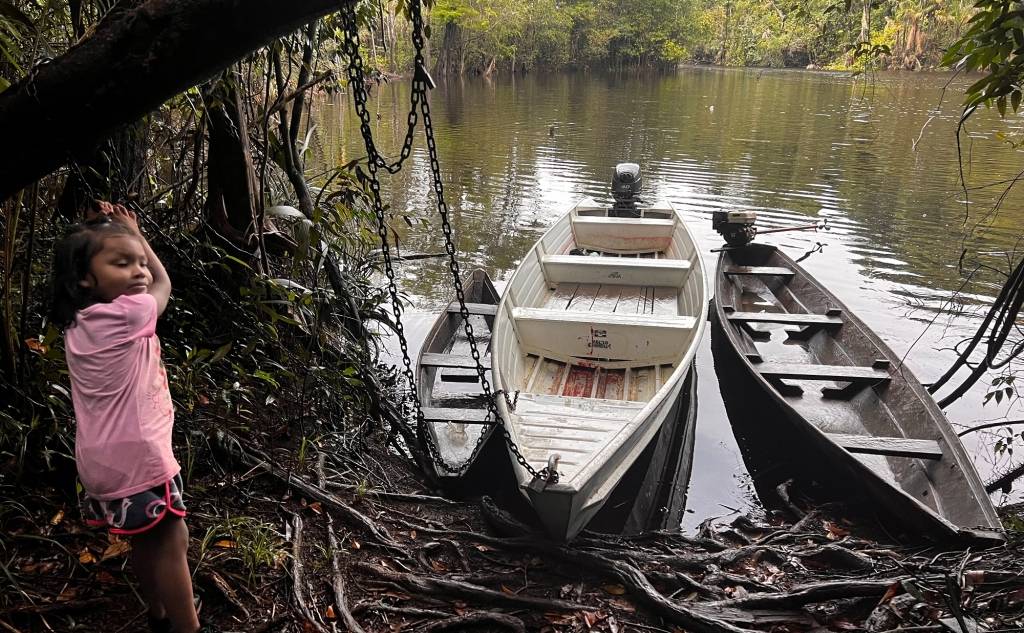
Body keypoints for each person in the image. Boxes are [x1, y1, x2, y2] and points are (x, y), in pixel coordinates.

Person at [50, 201, 202, 633]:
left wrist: (128, 238)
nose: (138, 271)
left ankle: (157, 614)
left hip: (102, 462)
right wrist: (144, 240)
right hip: (141, 457)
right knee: (173, 542)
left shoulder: (80, 320)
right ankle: (188, 627)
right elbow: (164, 284)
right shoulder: (129, 313)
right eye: (122, 263)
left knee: (145, 541)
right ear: (84, 277)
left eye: (138, 262)